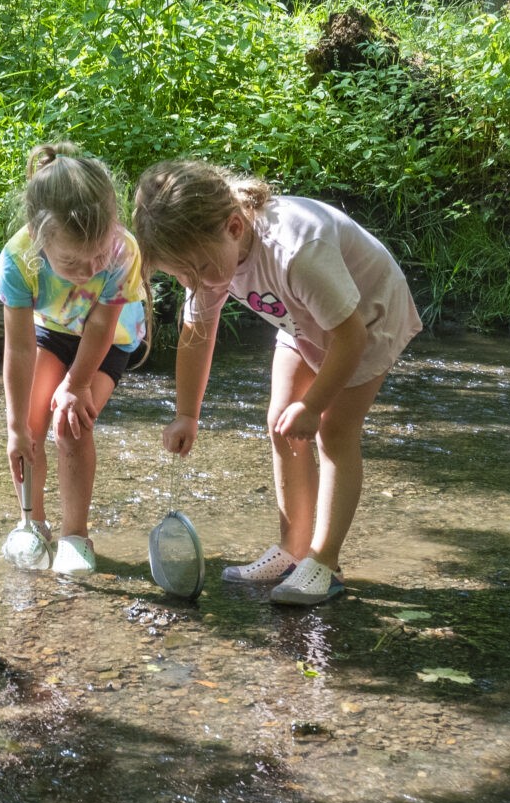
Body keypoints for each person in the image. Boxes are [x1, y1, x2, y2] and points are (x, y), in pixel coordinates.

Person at [131, 159, 420, 605]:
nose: (194, 283)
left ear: (232, 226)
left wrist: (314, 403)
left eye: (198, 271)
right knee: (280, 422)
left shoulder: (295, 251)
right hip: (304, 322)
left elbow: (350, 338)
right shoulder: (211, 257)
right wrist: (187, 413)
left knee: (333, 433)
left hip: (367, 320)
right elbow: (196, 334)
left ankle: (325, 563)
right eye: (181, 276)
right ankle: (293, 550)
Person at [0, 141, 149, 576]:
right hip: (52, 330)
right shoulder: (18, 259)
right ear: (41, 237)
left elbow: (101, 327)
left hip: (109, 338)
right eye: (73, 261)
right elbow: (20, 347)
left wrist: (76, 384)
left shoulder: (123, 251)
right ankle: (32, 524)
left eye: (97, 256)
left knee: (72, 421)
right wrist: (13, 427)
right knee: (29, 425)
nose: (89, 269)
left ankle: (75, 536)